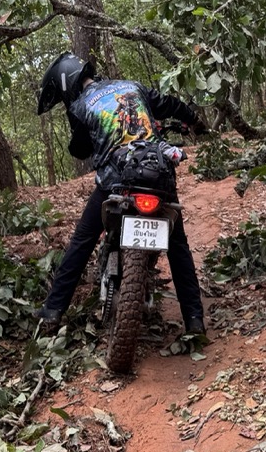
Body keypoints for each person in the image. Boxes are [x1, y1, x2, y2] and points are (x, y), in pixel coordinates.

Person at [34, 52, 208, 337]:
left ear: (65, 85)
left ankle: (52, 313)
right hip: (157, 173)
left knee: (82, 241)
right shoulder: (133, 86)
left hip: (116, 182)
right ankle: (194, 320)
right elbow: (171, 104)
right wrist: (195, 123)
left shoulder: (80, 106)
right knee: (177, 246)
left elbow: (78, 150)